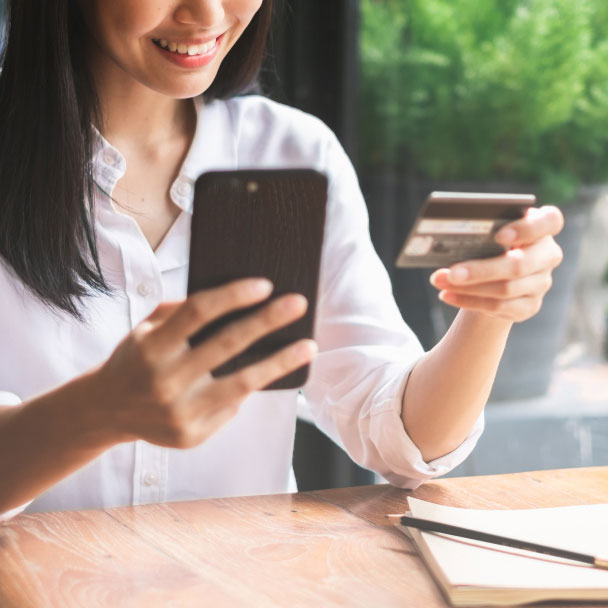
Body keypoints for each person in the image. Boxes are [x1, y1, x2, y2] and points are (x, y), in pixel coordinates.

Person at [0, 0, 564, 520]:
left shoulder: (292, 154)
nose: (209, 13)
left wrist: (490, 312)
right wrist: (99, 410)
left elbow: (402, 441)